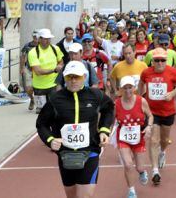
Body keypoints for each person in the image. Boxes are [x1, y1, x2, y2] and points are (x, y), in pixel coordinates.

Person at [36, 61, 115, 198]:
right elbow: (41, 124)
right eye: (69, 77)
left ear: (84, 76)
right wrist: (50, 140)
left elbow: (109, 108)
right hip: (65, 155)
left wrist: (103, 130)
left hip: (90, 152)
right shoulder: (56, 99)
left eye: (76, 77)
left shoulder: (96, 95)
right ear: (65, 78)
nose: (73, 81)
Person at [138, 48, 176, 185]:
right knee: (153, 140)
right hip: (152, 112)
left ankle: (163, 152)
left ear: (167, 61)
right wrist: (140, 97)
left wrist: (172, 93)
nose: (159, 63)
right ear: (152, 61)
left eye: (162, 60)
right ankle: (155, 171)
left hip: (167, 112)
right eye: (157, 60)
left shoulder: (172, 72)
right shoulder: (146, 72)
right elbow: (141, 83)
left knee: (164, 140)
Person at [115, 76, 153, 198]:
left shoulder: (141, 101)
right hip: (123, 137)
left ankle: (142, 171)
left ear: (134, 88)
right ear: (121, 89)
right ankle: (131, 190)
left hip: (139, 136)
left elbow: (150, 116)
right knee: (127, 164)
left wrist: (149, 127)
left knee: (139, 166)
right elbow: (110, 120)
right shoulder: (116, 104)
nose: (127, 91)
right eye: (124, 88)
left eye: (130, 87)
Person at [27, 28, 64, 113]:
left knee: (54, 110)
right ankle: (33, 100)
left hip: (53, 85)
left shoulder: (55, 49)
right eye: (45, 39)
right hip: (39, 87)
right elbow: (38, 71)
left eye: (49, 39)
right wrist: (54, 69)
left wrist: (60, 66)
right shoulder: (33, 52)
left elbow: (61, 61)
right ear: (39, 39)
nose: (48, 41)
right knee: (41, 111)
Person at [20, 30, 38, 110]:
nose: (35, 39)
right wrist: (22, 68)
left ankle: (39, 106)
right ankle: (32, 99)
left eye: (37, 37)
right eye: (34, 37)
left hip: (39, 69)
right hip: (29, 68)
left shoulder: (42, 46)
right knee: (28, 89)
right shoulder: (27, 45)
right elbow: (23, 56)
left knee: (39, 89)